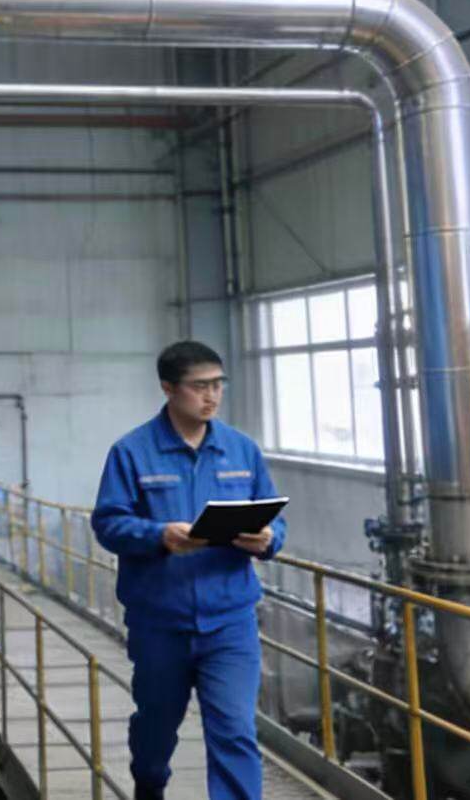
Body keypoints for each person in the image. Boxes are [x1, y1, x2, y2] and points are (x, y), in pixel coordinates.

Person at [90, 340, 283, 800]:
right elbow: (109, 523)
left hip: (229, 622)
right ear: (168, 388)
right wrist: (158, 536)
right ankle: (149, 784)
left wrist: (269, 538)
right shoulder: (132, 452)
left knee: (235, 730)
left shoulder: (241, 450)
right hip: (160, 623)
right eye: (200, 386)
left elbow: (275, 519)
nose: (211, 396)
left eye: (217, 385)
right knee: (155, 731)